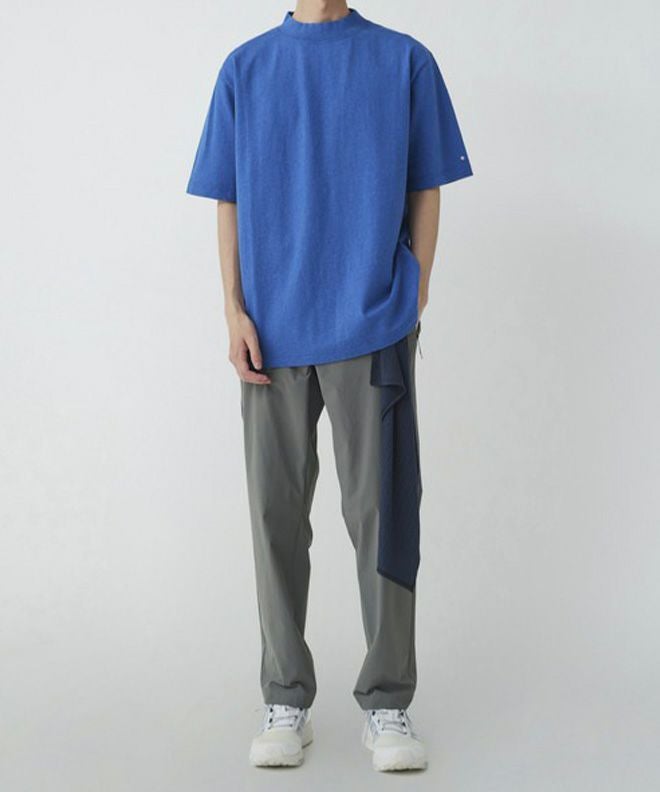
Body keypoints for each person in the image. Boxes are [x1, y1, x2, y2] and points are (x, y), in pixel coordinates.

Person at [186, 0, 472, 773]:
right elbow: (228, 195)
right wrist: (233, 310)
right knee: (275, 516)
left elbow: (428, 183)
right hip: (271, 333)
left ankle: (388, 702)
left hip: (371, 326)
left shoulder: (404, 61)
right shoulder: (245, 69)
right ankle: (285, 696)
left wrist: (413, 294)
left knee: (384, 516)